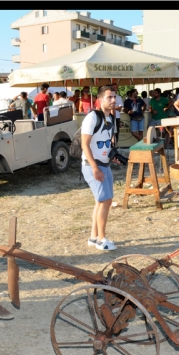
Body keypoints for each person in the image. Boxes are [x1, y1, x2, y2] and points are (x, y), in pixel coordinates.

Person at [81, 86, 121, 252]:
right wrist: (95, 167)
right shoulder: (92, 117)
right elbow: (85, 144)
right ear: (100, 100)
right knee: (105, 201)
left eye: (114, 97)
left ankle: (93, 237)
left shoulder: (110, 119)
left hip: (104, 164)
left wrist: (113, 156)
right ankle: (101, 240)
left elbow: (106, 142)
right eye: (109, 97)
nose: (113, 100)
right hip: (93, 166)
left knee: (102, 201)